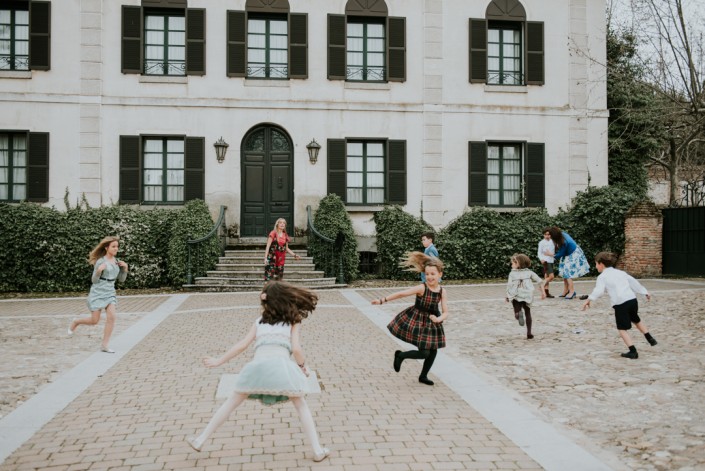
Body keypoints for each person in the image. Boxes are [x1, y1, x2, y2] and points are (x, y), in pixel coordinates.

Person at [187, 281, 329, 462]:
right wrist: (302, 367)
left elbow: (242, 345)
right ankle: (317, 450)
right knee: (301, 405)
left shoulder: (259, 322)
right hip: (281, 368)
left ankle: (200, 440)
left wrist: (219, 360)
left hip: (257, 368)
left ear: (266, 302)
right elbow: (297, 349)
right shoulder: (293, 321)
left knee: (231, 403)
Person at [372, 252, 448, 386]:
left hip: (433, 323)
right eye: (427, 274)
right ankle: (401, 355)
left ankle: (423, 376)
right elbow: (402, 293)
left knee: (433, 351)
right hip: (418, 321)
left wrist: (439, 318)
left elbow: (446, 311)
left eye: (433, 274)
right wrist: (382, 300)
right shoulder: (422, 288)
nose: (429, 277)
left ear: (440, 274)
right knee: (425, 353)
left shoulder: (442, 291)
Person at [581, 252, 657, 359]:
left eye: (596, 264)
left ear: (601, 264)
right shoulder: (620, 272)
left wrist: (589, 299)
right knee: (636, 320)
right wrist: (644, 291)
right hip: (632, 300)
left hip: (621, 303)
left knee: (622, 328)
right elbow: (633, 282)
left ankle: (633, 351)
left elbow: (599, 291)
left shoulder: (602, 277)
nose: (595, 266)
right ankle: (650, 338)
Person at [67, 236, 129, 353]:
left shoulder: (117, 262)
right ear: (106, 248)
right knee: (94, 321)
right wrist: (99, 271)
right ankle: (76, 321)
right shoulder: (101, 261)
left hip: (110, 292)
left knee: (112, 317)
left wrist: (125, 269)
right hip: (98, 292)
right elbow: (94, 280)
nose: (116, 249)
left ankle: (104, 345)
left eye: (117, 246)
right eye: (113, 246)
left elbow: (121, 280)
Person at [505, 254, 545, 339]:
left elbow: (509, 285)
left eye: (513, 263)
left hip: (516, 294)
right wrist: (543, 292)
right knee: (528, 312)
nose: (511, 265)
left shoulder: (512, 273)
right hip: (527, 294)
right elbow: (540, 281)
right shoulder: (529, 272)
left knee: (517, 312)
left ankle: (518, 313)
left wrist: (507, 296)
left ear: (518, 263)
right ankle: (529, 333)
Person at [547, 226, 590, 299]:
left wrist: (550, 255)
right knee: (564, 272)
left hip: (573, 254)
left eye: (550, 235)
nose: (549, 236)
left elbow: (560, 254)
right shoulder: (562, 234)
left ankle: (572, 292)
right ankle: (566, 291)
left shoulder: (564, 242)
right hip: (568, 254)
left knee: (567, 273)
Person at [537, 228, 555, 298]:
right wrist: (541, 259)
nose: (547, 236)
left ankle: (546, 292)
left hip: (551, 260)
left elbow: (554, 251)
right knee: (551, 277)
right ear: (543, 235)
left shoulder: (553, 242)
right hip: (546, 261)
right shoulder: (541, 243)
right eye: (545, 234)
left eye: (548, 234)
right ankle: (542, 285)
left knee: (547, 276)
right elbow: (539, 252)